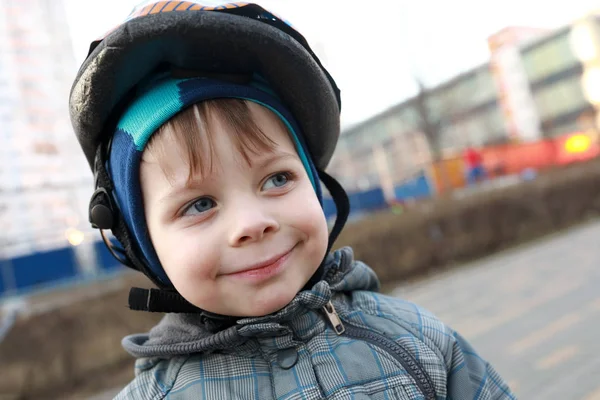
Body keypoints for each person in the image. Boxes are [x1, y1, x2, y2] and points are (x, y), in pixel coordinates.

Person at [69, 2, 516, 399]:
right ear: (141, 243)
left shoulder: (414, 340)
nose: (252, 222)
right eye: (200, 204)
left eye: (277, 178)